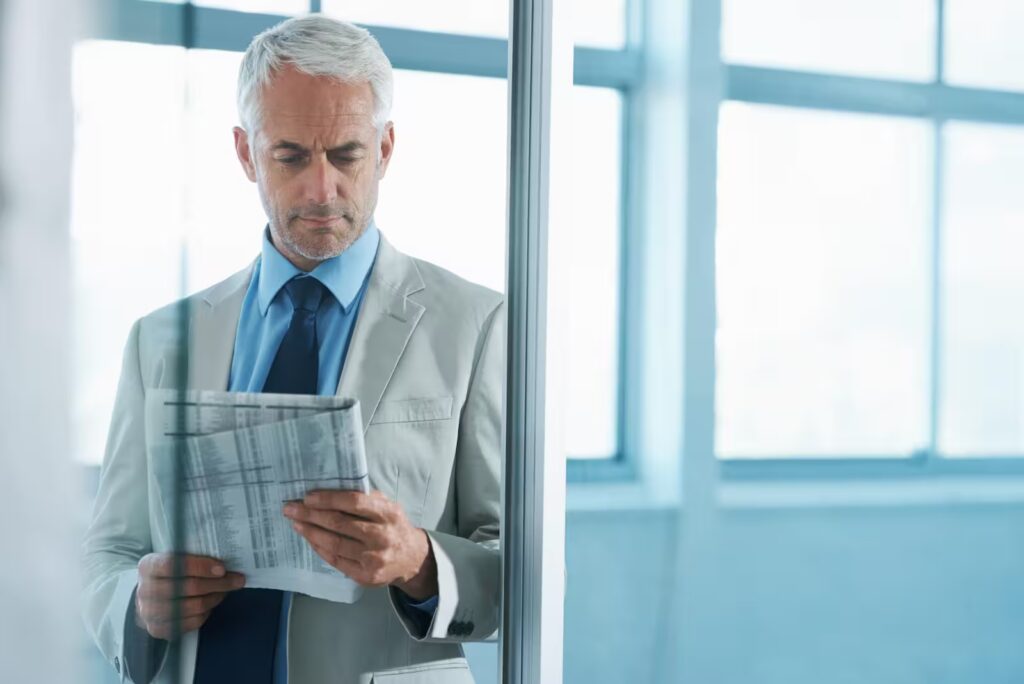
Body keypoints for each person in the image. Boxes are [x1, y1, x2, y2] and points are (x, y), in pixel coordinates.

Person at [81, 15, 503, 684]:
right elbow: (110, 550)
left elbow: (522, 569)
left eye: (346, 155)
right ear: (246, 154)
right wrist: (137, 603)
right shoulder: (159, 339)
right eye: (291, 157)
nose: (321, 190)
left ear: (385, 148)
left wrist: (418, 561)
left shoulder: (477, 325)